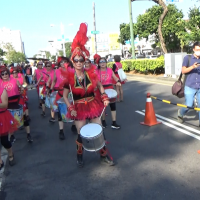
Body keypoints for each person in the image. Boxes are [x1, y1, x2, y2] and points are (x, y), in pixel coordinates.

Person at [62, 23, 114, 167]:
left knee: (98, 131)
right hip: (78, 107)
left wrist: (104, 97)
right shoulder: (69, 78)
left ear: (85, 61)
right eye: (76, 60)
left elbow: (100, 86)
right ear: (72, 61)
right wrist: (69, 106)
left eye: (81, 60)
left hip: (93, 104)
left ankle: (103, 155)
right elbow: (65, 96)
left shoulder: (91, 74)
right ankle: (79, 155)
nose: (79, 62)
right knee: (81, 133)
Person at [178, 42, 200, 124]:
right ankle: (180, 113)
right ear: (193, 49)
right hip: (189, 86)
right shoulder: (188, 58)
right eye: (197, 49)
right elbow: (183, 71)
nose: (199, 51)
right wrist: (193, 67)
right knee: (189, 105)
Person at [97, 57, 121, 129]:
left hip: (110, 89)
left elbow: (115, 77)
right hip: (101, 90)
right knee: (103, 107)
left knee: (113, 106)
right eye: (101, 62)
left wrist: (118, 81)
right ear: (98, 64)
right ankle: (103, 121)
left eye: (104, 61)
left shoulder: (110, 70)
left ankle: (114, 122)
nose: (102, 63)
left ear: (106, 63)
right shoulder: (96, 71)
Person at [0, 66, 21, 143]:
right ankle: (11, 136)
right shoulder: (0, 82)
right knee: (9, 122)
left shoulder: (14, 80)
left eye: (6, 73)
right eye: (2, 74)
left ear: (9, 74)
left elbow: (21, 88)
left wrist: (22, 89)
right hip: (5, 105)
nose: (5, 75)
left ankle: (28, 134)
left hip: (15, 102)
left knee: (20, 120)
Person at [0, 85, 17, 169]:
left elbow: (4, 104)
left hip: (2, 117)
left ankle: (11, 154)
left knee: (4, 141)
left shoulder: (2, 89)